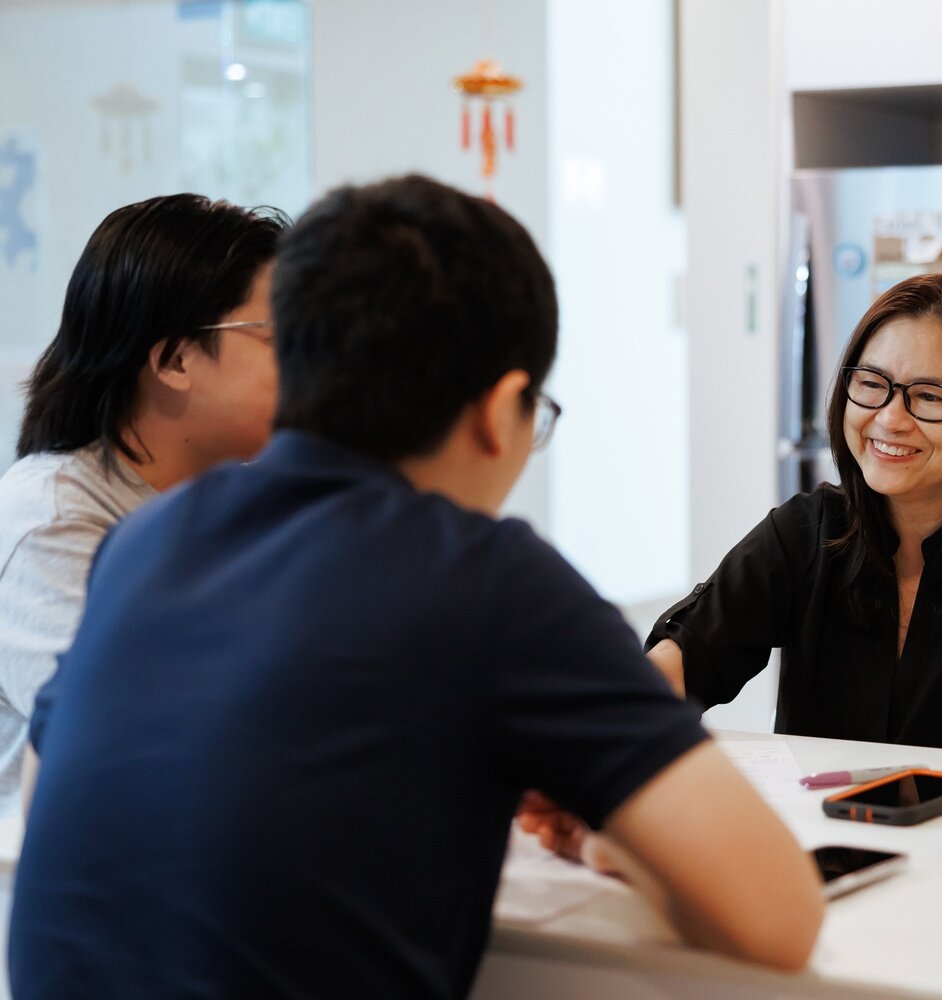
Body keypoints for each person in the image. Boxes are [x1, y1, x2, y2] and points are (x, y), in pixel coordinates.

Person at [10, 175, 823, 999]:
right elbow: (780, 918)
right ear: (501, 406)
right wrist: (609, 836)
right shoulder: (496, 579)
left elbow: (55, 811)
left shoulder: (144, 541)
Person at [648, 273, 942, 757]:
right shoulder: (808, 530)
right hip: (817, 830)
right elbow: (689, 655)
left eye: (929, 396)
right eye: (871, 383)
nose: (889, 418)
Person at [0, 193, 286, 817]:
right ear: (174, 358)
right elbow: (126, 739)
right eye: (277, 337)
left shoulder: (235, 507)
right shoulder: (52, 516)